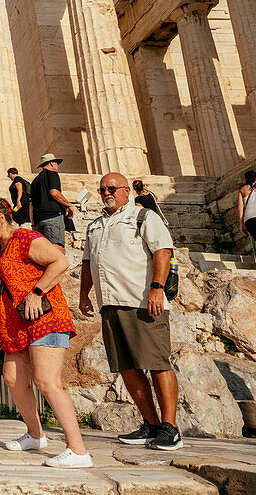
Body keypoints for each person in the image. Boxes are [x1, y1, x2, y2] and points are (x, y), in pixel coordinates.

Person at [0, 198, 90, 468]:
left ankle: (78, 450)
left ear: (1, 219)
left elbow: (60, 262)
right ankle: (36, 435)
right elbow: (1, 294)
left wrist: (37, 292)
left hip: (45, 318)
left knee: (47, 381)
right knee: (13, 379)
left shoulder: (26, 238)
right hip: (16, 327)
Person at [79, 173, 181, 452]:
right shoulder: (96, 225)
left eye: (112, 188)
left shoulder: (144, 216)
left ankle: (170, 428)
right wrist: (83, 295)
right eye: (102, 190)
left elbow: (163, 250)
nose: (106, 193)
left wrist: (157, 288)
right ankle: (152, 424)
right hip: (109, 303)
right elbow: (88, 262)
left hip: (142, 300)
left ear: (127, 191)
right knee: (126, 367)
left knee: (157, 362)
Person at [30, 154, 73, 247]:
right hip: (52, 217)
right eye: (57, 163)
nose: (58, 166)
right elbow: (54, 192)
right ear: (51, 163)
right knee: (57, 250)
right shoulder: (52, 174)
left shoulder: (34, 181)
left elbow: (31, 205)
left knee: (45, 254)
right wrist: (68, 204)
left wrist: (33, 225)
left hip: (39, 221)